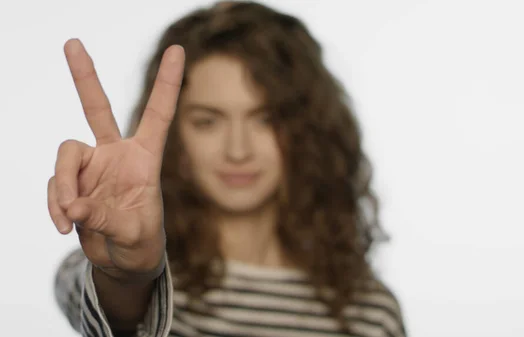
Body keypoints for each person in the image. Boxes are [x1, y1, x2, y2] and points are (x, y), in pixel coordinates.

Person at [49, 1, 406, 336]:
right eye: (207, 122)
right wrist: (130, 275)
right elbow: (117, 316)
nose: (238, 150)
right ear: (175, 135)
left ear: (308, 129)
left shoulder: (369, 313)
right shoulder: (101, 268)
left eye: (266, 119)